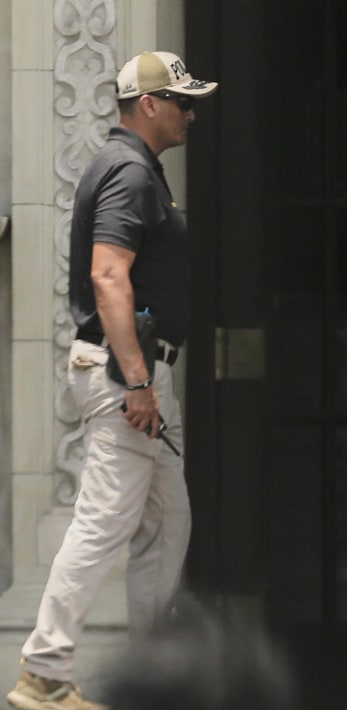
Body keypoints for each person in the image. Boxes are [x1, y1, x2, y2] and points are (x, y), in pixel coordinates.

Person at [5, 51, 217, 710]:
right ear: (148, 104)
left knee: (167, 521)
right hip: (128, 373)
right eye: (182, 102)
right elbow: (107, 275)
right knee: (102, 523)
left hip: (138, 372)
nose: (190, 114)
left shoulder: (133, 166)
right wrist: (137, 381)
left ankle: (154, 673)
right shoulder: (128, 170)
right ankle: (44, 671)